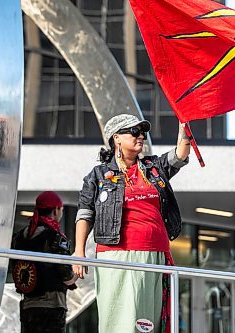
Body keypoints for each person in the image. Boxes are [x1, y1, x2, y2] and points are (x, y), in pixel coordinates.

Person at [72, 114, 190, 333]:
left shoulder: (153, 167)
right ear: (116, 138)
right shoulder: (98, 175)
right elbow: (85, 213)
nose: (141, 137)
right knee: (121, 320)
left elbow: (180, 155)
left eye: (142, 132)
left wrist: (184, 126)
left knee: (149, 321)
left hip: (155, 253)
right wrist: (79, 251)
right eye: (134, 132)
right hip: (118, 253)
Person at [12, 191, 78, 333]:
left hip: (28, 305)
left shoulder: (21, 236)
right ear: (55, 210)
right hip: (52, 306)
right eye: (61, 209)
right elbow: (66, 276)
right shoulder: (55, 237)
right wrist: (78, 272)